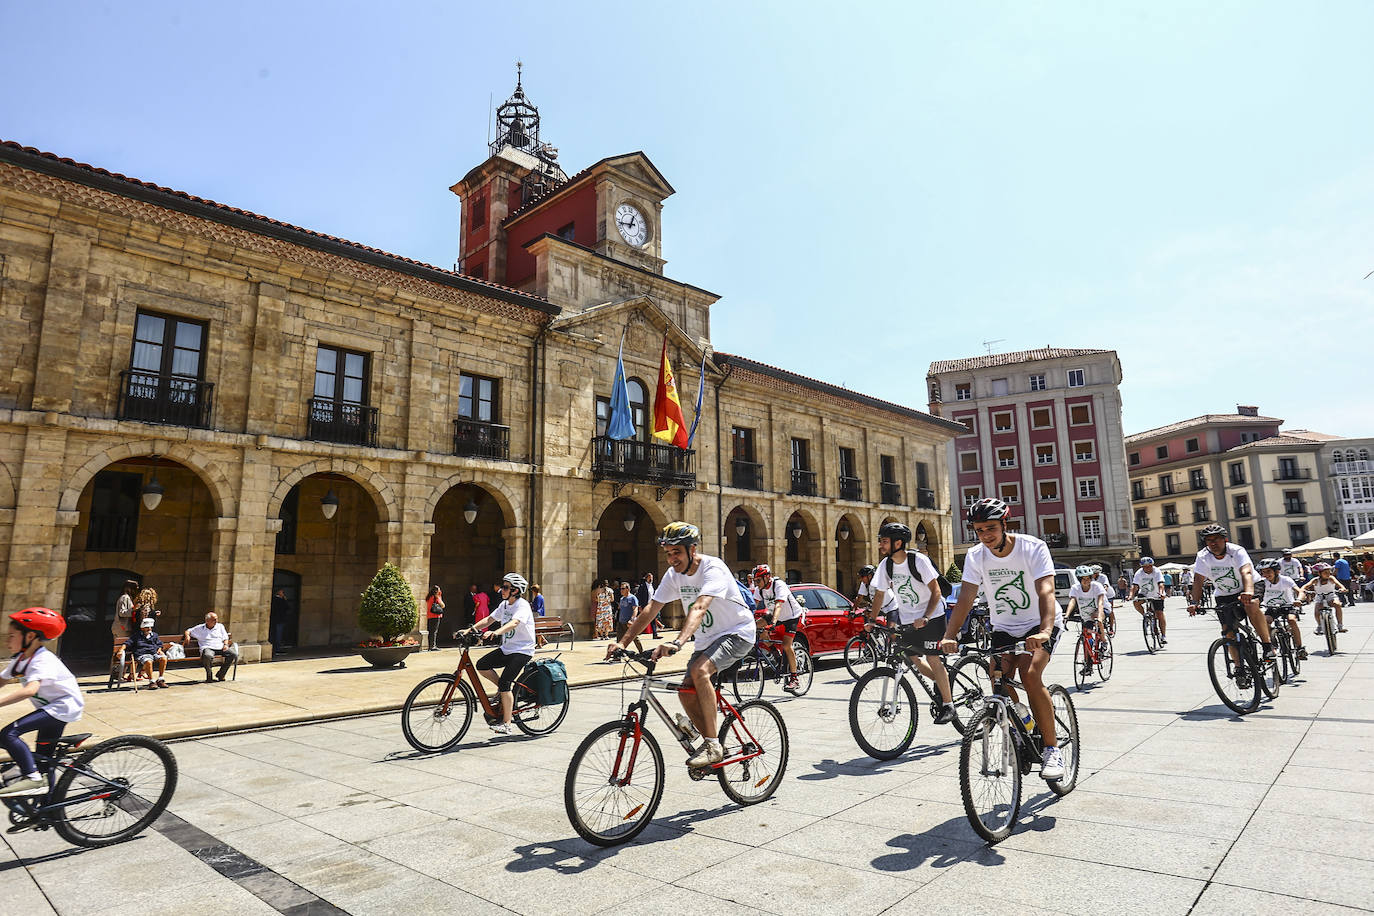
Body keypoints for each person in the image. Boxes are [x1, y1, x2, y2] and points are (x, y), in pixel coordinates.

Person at [608, 522, 757, 769]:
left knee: (700, 671)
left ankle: (712, 745)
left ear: (692, 549)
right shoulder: (674, 575)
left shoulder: (713, 568)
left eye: (676, 552)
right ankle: (713, 741)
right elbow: (650, 610)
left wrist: (678, 642)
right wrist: (621, 642)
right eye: (668, 553)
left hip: (737, 632)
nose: (671, 559)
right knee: (685, 691)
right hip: (708, 639)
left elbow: (699, 607)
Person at [940, 498, 1066, 780]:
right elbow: (966, 599)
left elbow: (1046, 591)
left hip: (1040, 621)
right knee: (998, 680)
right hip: (1005, 626)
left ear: (1005, 524)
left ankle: (1051, 749)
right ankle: (1024, 726)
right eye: (979, 530)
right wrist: (950, 635)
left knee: (1030, 674)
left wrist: (1044, 630)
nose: (986, 535)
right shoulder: (975, 556)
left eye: (991, 528)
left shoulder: (1032, 547)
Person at [867, 523, 954, 723]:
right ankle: (941, 683)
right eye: (880, 541)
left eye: (884, 541)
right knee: (912, 657)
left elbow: (936, 591)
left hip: (933, 615)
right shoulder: (885, 565)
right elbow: (879, 594)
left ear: (898, 543)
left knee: (932, 657)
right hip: (907, 619)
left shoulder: (918, 560)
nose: (880, 545)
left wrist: (926, 617)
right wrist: (872, 619)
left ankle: (949, 705)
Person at [0, 608, 84, 798]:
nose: (7, 641)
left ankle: (32, 777)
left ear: (30, 636)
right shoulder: (21, 659)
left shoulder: (42, 659)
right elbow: (1, 680)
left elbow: (30, 690)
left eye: (12, 635)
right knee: (44, 762)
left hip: (62, 707)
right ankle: (47, 811)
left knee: (8, 734)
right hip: (52, 709)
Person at [1188, 524, 1274, 662]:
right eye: (1209, 540)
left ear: (1225, 539)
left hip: (1250, 585)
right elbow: (1198, 580)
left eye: (1217, 539)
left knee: (1251, 605)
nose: (1213, 543)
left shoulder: (1236, 551)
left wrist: (1248, 592)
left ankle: (1267, 645)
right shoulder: (1203, 556)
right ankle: (1239, 669)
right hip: (1224, 594)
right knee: (1228, 633)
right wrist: (1194, 602)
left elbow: (1246, 572)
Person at [463, 573, 535, 737]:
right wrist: (469, 630)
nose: (502, 590)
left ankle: (507, 724)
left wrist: (496, 633)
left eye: (505, 587)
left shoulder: (522, 606)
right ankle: (503, 690)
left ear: (515, 590)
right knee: (482, 665)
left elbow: (514, 623)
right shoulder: (504, 605)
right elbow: (489, 619)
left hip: (523, 650)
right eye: (503, 586)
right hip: (508, 648)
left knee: (505, 683)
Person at [752, 564, 808, 694]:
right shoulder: (759, 589)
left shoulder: (778, 585)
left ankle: (794, 678)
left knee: (787, 645)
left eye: (758, 580)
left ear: (767, 577)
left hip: (791, 616)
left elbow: (779, 605)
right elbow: (752, 605)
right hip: (773, 615)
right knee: (756, 628)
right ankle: (776, 655)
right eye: (755, 581)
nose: (756, 583)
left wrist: (773, 623)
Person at [1256, 559, 1307, 661]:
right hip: (1271, 607)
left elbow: (1300, 591)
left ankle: (1300, 648)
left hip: (1288, 606)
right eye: (1263, 572)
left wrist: (1298, 600)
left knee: (1291, 620)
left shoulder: (1286, 580)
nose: (1266, 574)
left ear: (1277, 571)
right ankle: (1272, 640)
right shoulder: (1262, 582)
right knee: (1265, 621)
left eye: (1268, 571)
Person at [1067, 565, 1108, 679]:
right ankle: (1088, 666)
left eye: (1088, 578)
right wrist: (1066, 616)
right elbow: (1072, 601)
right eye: (1084, 579)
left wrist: (1099, 616)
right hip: (1085, 616)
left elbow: (1100, 602)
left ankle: (1104, 641)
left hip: (1100, 610)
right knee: (1086, 639)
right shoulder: (1075, 588)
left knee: (1097, 619)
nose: (1087, 581)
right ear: (1079, 580)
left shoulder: (1097, 586)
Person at [185, 612, 238, 683]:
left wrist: (225, 645)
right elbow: (188, 631)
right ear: (207, 621)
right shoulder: (200, 628)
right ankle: (209, 676)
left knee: (233, 654)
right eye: (214, 620)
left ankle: (221, 674)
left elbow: (225, 637)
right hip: (208, 647)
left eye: (216, 619)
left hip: (220, 647)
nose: (216, 621)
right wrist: (187, 636)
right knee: (207, 656)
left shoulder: (220, 626)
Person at [1299, 563, 1348, 634]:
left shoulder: (1331, 578)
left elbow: (1339, 584)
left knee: (1337, 605)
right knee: (1316, 613)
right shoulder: (1315, 580)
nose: (1328, 574)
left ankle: (1340, 625)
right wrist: (1303, 590)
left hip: (1331, 596)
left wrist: (1342, 588)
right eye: (1325, 573)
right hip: (1319, 597)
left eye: (1329, 572)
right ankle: (1319, 626)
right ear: (1320, 573)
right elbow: (1306, 586)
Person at [1129, 556, 1168, 646]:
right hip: (1144, 593)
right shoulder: (1139, 573)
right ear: (1142, 567)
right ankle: (1145, 617)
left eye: (1149, 566)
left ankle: (1163, 635)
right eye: (1145, 567)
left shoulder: (1156, 571)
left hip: (1156, 594)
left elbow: (1161, 584)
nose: (1147, 568)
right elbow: (1134, 586)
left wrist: (1162, 593)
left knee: (1159, 614)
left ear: (1152, 565)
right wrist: (1131, 595)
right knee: (1136, 602)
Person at [127, 617, 169, 688]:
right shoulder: (136, 636)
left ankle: (160, 679)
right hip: (142, 654)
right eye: (147, 627)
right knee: (148, 661)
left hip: (154, 653)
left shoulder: (154, 635)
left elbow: (159, 644)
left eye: (150, 627)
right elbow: (127, 643)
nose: (149, 629)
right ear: (142, 628)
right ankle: (151, 681)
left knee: (164, 658)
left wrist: (159, 650)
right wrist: (121, 650)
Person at [616, 581, 643, 653]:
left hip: (629, 622)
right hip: (621, 622)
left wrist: (632, 619)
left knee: (634, 638)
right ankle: (618, 655)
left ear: (627, 589)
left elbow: (635, 609)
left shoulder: (632, 598)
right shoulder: (622, 599)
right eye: (620, 589)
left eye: (622, 589)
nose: (621, 590)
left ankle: (641, 652)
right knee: (619, 639)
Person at [1092, 566, 1118, 633]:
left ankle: (1111, 628)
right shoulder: (1091, 578)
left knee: (1110, 611)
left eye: (1094, 573)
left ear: (1097, 573)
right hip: (1097, 595)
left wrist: (1103, 591)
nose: (1092, 574)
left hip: (1108, 595)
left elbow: (1105, 585)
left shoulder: (1103, 577)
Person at [270, 588, 292, 654]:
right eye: (282, 592)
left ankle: (276, 648)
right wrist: (285, 600)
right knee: (278, 635)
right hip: (279, 620)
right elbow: (287, 607)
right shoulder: (279, 600)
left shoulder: (274, 599)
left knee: (277, 634)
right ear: (279, 592)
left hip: (276, 620)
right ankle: (277, 649)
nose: (283, 593)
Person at [425, 585, 445, 651]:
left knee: (431, 631)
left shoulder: (429, 597)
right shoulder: (436, 597)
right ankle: (433, 646)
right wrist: (439, 595)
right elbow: (443, 605)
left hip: (429, 616)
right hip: (435, 616)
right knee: (434, 632)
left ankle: (430, 646)